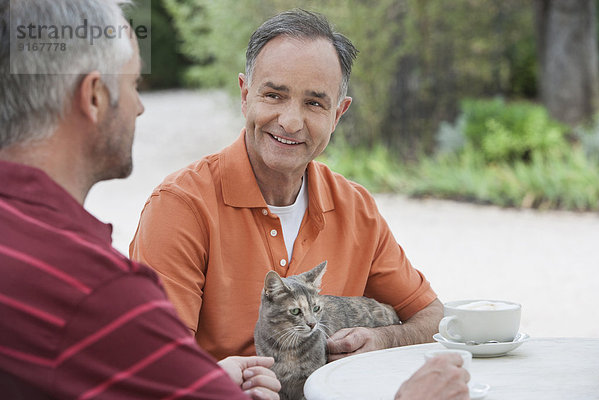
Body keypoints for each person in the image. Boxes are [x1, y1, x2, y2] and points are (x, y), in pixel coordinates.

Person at [129, 8, 443, 364]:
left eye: (314, 103)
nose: (291, 122)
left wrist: (384, 339)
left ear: (338, 115)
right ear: (245, 96)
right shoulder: (180, 207)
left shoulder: (356, 207)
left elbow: (432, 320)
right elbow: (153, 368)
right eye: (274, 96)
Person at [0, 1, 280, 398]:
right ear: (94, 96)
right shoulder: (94, 290)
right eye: (133, 84)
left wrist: (196, 376)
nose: (141, 106)